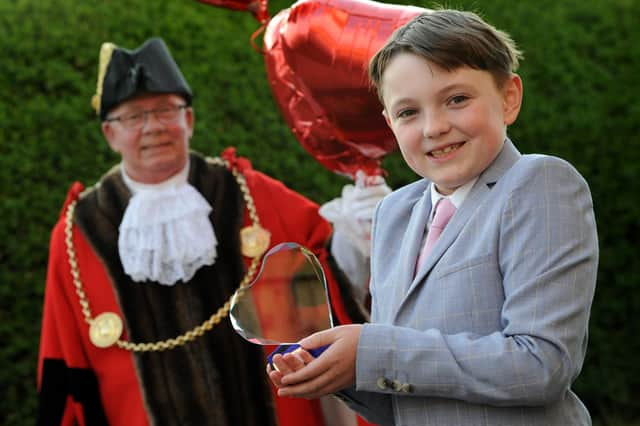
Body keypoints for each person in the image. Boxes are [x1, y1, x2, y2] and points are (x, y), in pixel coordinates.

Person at [267, 9, 599, 426]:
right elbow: (407, 401)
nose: (434, 127)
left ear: (509, 97)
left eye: (457, 99)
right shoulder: (395, 213)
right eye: (408, 112)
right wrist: (339, 373)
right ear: (389, 122)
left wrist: (373, 351)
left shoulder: (539, 183)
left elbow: (542, 365)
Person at [36, 37, 388, 426]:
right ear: (110, 134)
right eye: (134, 117)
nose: (153, 127)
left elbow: (329, 272)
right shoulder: (78, 231)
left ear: (188, 120)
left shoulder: (249, 193)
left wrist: (359, 229)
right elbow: (63, 354)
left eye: (166, 110)